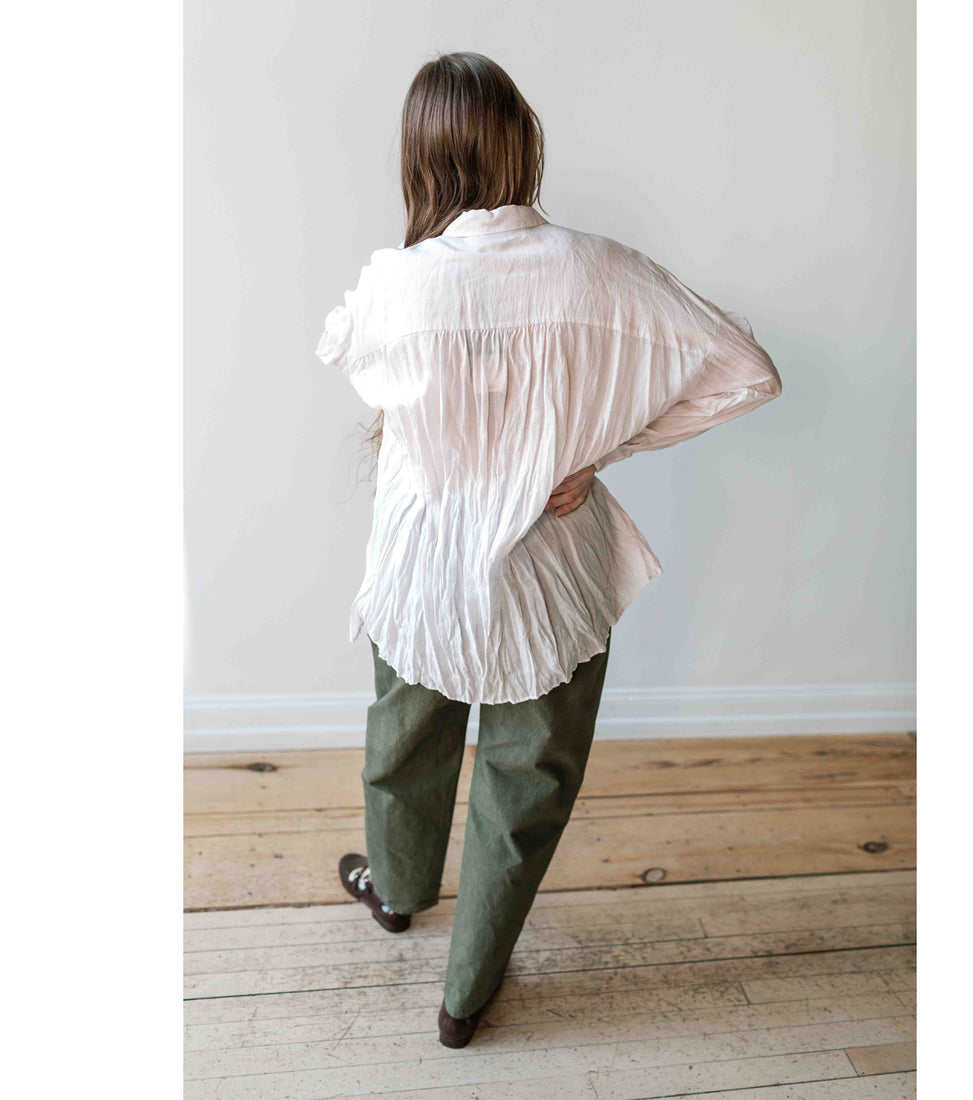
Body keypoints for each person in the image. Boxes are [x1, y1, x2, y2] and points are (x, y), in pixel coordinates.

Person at [315, 51, 782, 1049]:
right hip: (550, 567)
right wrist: (597, 449)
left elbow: (345, 347)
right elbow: (748, 370)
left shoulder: (397, 283)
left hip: (423, 567)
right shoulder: (598, 268)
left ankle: (396, 891)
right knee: (524, 783)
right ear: (521, 139)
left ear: (420, 158)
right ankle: (466, 993)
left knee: (404, 742)